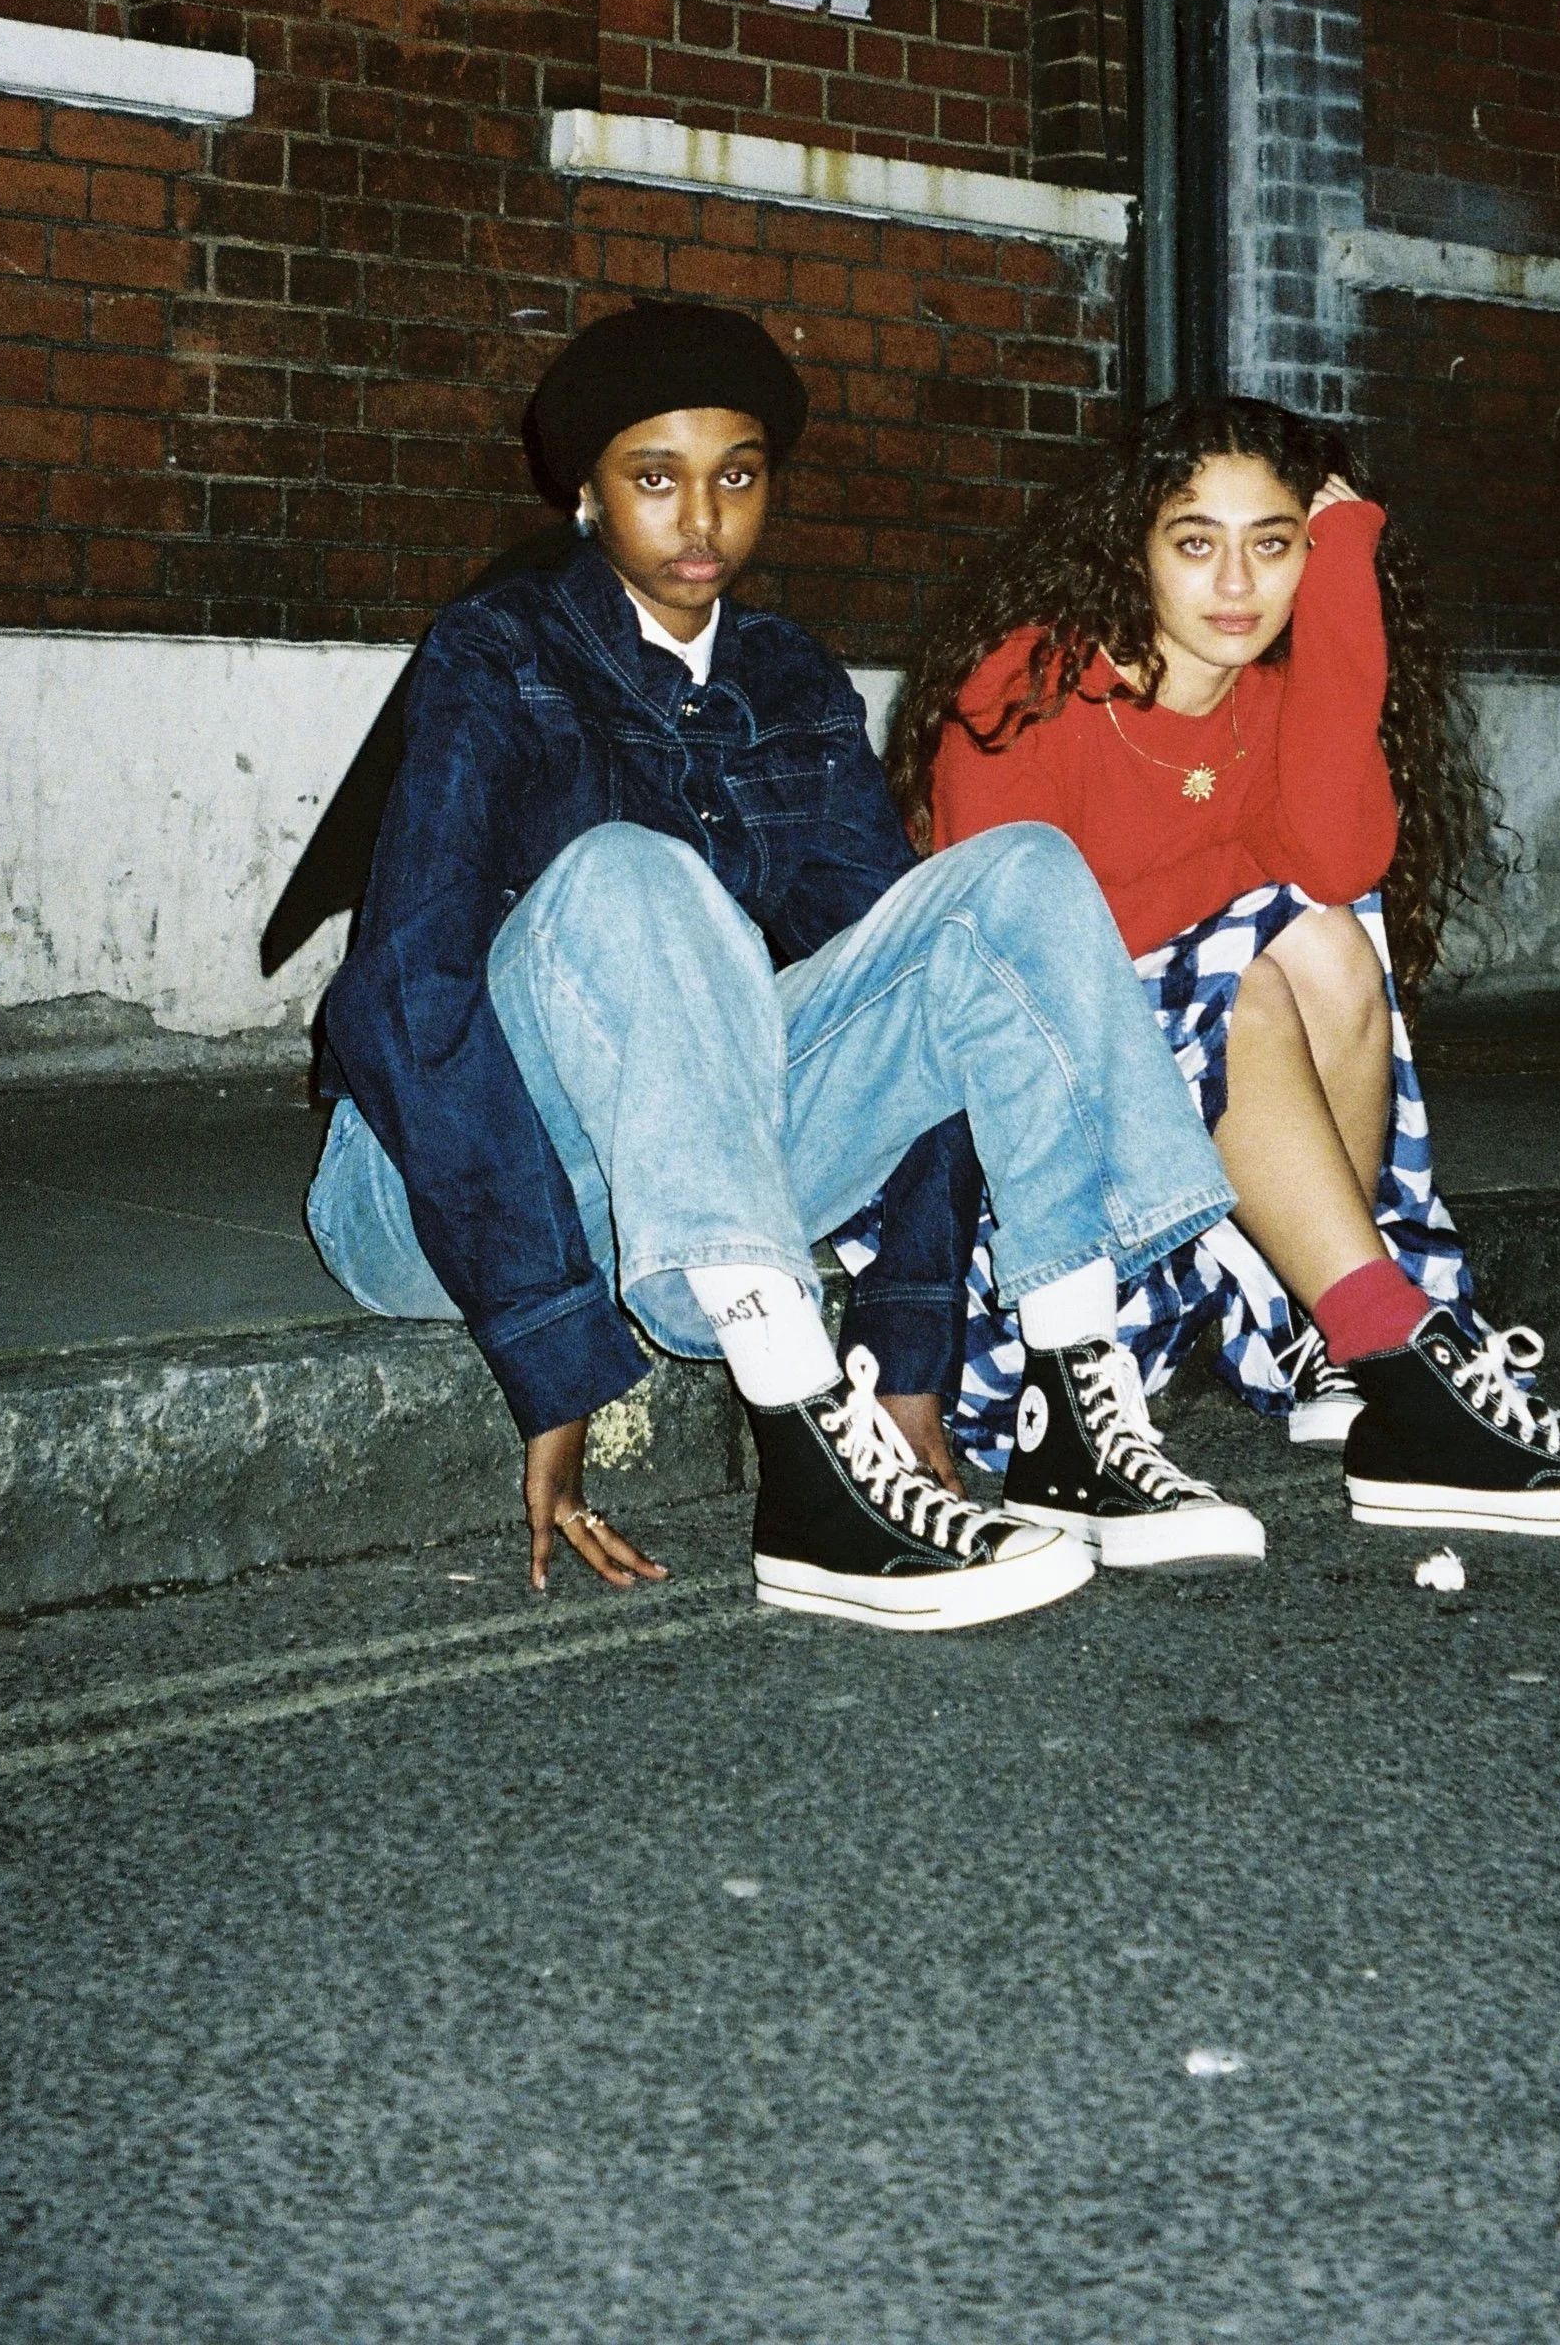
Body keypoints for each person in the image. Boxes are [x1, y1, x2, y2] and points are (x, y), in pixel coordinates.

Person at [306, 300, 1268, 1635]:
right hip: (430, 1186)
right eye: (656, 478)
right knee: (633, 874)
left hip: (679, 1166)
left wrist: (914, 1351)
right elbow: (406, 994)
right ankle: (807, 1461)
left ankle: (1069, 1395)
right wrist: (547, 1353)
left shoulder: (791, 681)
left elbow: (913, 991)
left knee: (1012, 883)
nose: (701, 519)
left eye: (737, 476)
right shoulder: (500, 652)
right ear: (585, 494)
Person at [878, 393, 1560, 1539]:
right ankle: (1391, 1349)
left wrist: (1344, 577)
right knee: (1255, 954)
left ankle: (1337, 1334)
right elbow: (1018, 947)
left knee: (1321, 930)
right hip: (1036, 1195)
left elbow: (1336, 856)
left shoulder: (1267, 693)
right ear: (1131, 546)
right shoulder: (1029, 681)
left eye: (1273, 546)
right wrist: (1232, 872)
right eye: (1195, 543)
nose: (1236, 587)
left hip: (1194, 1175)